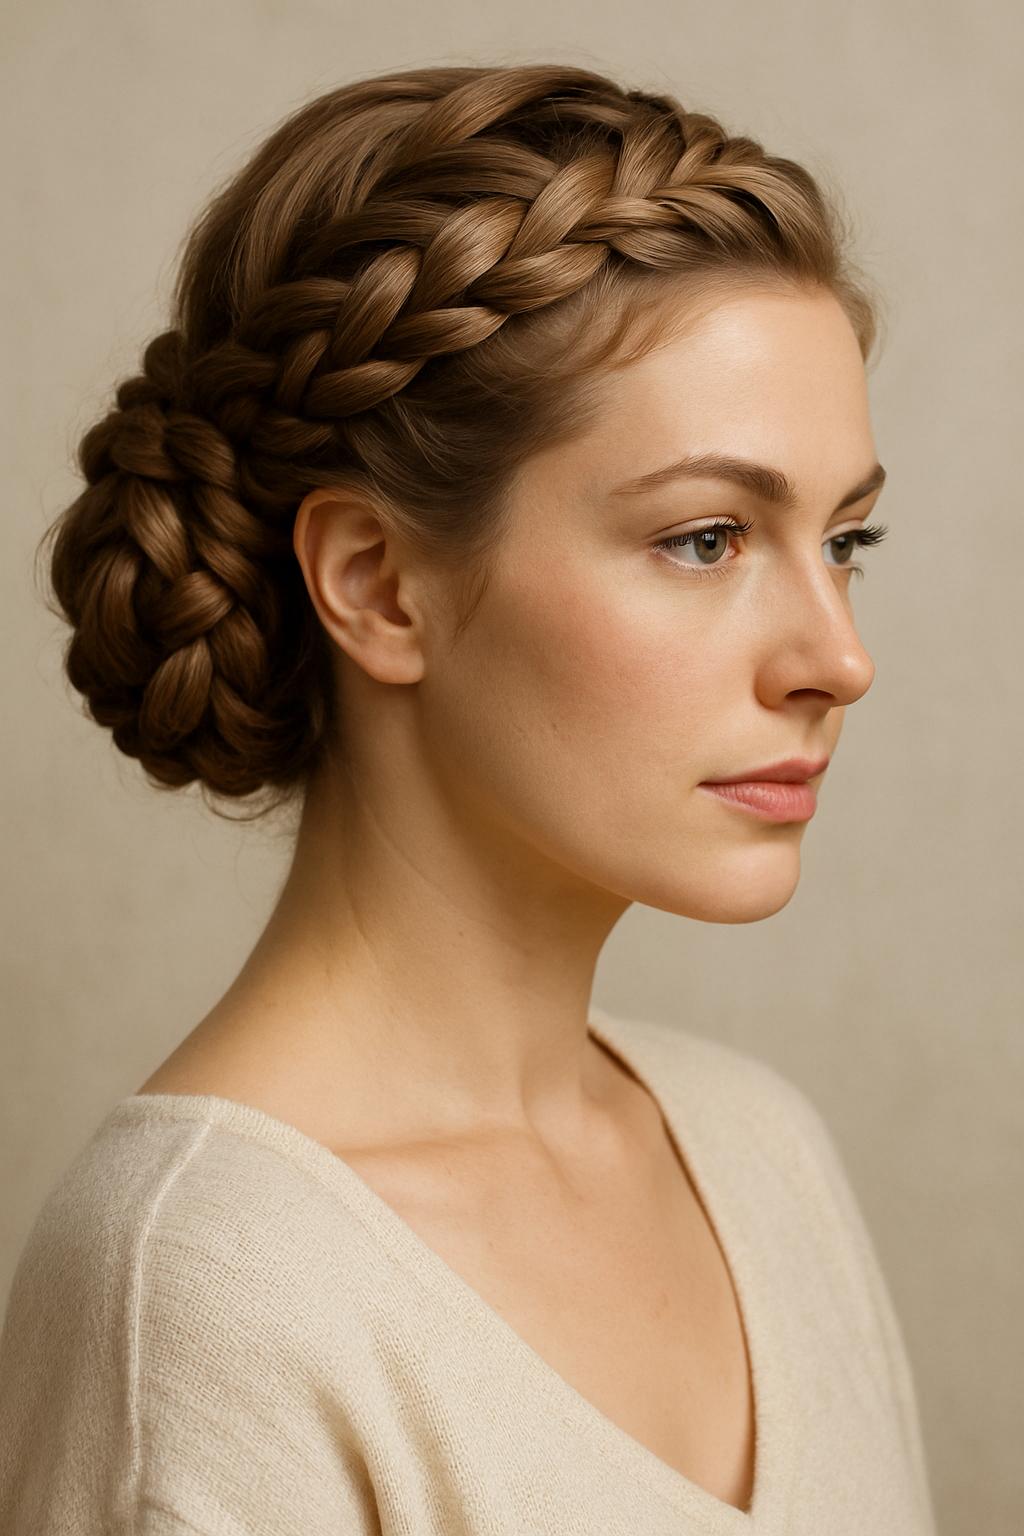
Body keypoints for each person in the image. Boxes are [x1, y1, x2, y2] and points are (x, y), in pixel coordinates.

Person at [0, 65, 934, 1535]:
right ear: (377, 584)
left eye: (847, 538)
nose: (840, 658)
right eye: (706, 538)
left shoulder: (762, 1153)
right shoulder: (200, 1296)